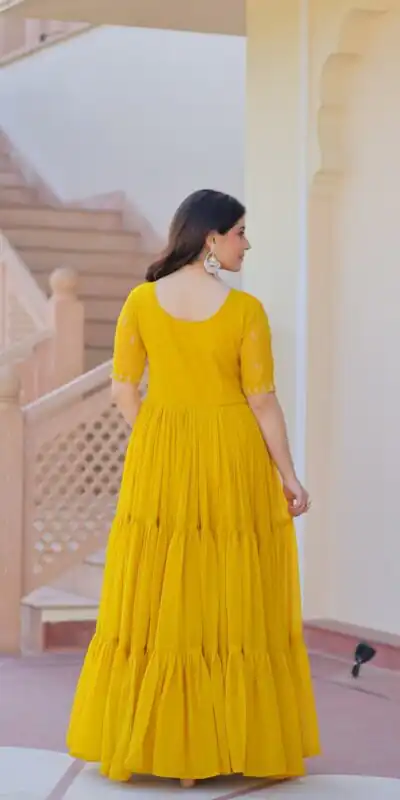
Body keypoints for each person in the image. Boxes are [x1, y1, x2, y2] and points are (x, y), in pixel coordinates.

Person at [67, 189, 320, 787]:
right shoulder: (245, 311)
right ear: (211, 238)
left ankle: (155, 741)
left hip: (161, 456)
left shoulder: (141, 300)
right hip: (232, 458)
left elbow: (123, 388)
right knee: (228, 586)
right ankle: (225, 743)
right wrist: (288, 475)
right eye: (239, 232)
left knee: (159, 589)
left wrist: (160, 437)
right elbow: (262, 400)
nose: (246, 244)